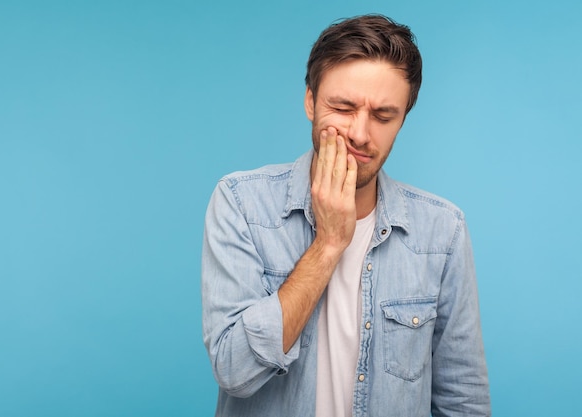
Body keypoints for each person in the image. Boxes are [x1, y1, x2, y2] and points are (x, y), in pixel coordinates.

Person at [201, 14, 491, 417]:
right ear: (309, 102)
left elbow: (464, 400)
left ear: (403, 118)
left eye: (383, 115)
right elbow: (234, 370)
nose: (359, 133)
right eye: (342, 107)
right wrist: (329, 244)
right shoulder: (241, 203)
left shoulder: (443, 231)